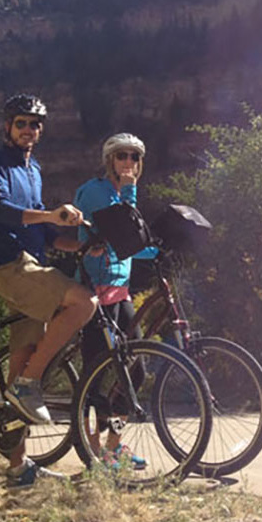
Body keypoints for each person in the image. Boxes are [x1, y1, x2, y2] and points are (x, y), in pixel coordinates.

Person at [0, 93, 90, 484]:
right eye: (22, 123)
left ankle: (17, 466)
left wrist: (82, 243)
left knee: (19, 361)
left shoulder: (33, 169)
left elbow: (43, 230)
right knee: (83, 302)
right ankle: (28, 386)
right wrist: (50, 214)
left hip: (33, 265)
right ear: (8, 126)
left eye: (35, 124)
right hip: (10, 266)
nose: (29, 130)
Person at [72, 132, 160, 471]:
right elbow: (121, 232)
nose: (128, 163)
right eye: (122, 156)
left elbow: (132, 242)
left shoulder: (123, 193)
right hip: (94, 290)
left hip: (120, 292)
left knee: (134, 372)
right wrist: (129, 191)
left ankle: (114, 445)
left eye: (134, 158)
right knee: (96, 371)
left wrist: (161, 250)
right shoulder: (95, 191)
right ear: (110, 159)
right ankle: (93, 449)